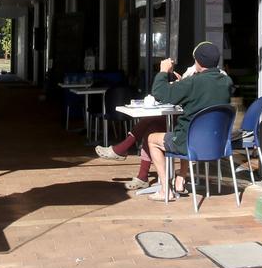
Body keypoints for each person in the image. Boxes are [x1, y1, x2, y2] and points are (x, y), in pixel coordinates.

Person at [145, 41, 234, 201]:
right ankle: (180, 180)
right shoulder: (226, 82)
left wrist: (163, 71)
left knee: (152, 139)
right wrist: (183, 85)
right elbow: (204, 94)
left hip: (188, 142)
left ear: (198, 62)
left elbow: (160, 93)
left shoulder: (193, 82)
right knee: (185, 132)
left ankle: (166, 190)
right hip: (216, 144)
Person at [94, 117, 167, 190]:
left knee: (150, 121)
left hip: (176, 129)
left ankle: (121, 149)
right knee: (151, 126)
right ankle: (142, 177)